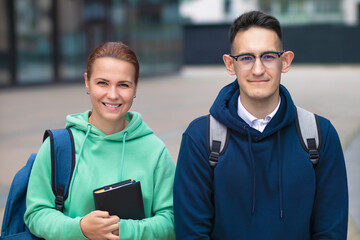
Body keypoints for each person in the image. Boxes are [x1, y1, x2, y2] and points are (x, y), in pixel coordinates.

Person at [173, 10, 348, 239]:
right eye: (246, 58)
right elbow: (192, 233)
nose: (257, 69)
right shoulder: (200, 139)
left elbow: (330, 231)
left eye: (268, 56)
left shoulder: (319, 135)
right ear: (229, 64)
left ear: (285, 61)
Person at [24, 42, 175, 240]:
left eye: (123, 84)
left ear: (135, 86)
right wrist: (80, 228)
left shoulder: (155, 151)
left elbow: (172, 220)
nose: (112, 95)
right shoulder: (58, 146)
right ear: (87, 82)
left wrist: (125, 230)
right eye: (102, 83)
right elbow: (36, 213)